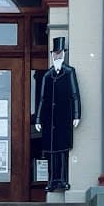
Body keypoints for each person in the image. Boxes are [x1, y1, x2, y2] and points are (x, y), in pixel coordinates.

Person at [32, 36, 80, 193]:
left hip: (63, 118)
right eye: (55, 54)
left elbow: (74, 94)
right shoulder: (47, 75)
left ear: (64, 54)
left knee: (62, 151)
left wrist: (76, 114)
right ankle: (52, 181)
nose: (57, 57)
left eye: (59, 54)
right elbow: (42, 99)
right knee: (51, 152)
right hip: (49, 120)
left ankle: (63, 180)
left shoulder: (69, 72)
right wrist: (38, 118)